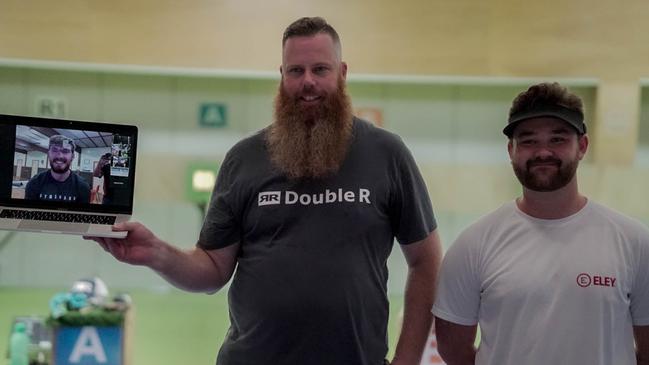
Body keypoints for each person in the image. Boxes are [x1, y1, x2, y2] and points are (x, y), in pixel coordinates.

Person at [88, 17, 442, 365]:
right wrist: (156, 253)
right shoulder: (244, 158)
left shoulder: (386, 154)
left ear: (342, 73)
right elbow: (212, 269)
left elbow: (426, 261)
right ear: (282, 75)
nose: (308, 82)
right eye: (295, 71)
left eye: (320, 69)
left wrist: (407, 360)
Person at [432, 82, 649, 365]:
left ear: (582, 146)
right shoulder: (473, 244)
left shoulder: (634, 242)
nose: (543, 152)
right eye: (528, 140)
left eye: (558, 139)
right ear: (511, 150)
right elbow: (453, 350)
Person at [25, 134, 90, 203]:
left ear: (72, 156)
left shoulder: (82, 186)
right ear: (48, 154)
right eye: (55, 150)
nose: (60, 156)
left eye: (65, 151)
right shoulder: (34, 183)